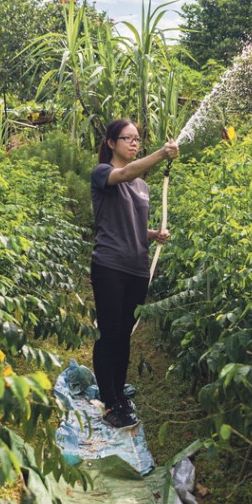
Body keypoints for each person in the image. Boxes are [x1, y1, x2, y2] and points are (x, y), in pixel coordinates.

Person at [90, 118, 179, 428]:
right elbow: (125, 172)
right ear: (112, 143)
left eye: (137, 139)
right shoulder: (104, 173)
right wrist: (161, 154)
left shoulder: (142, 186)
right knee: (109, 333)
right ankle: (109, 400)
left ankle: (118, 393)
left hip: (137, 268)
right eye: (127, 138)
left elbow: (132, 226)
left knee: (125, 334)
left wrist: (153, 234)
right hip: (109, 266)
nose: (133, 143)